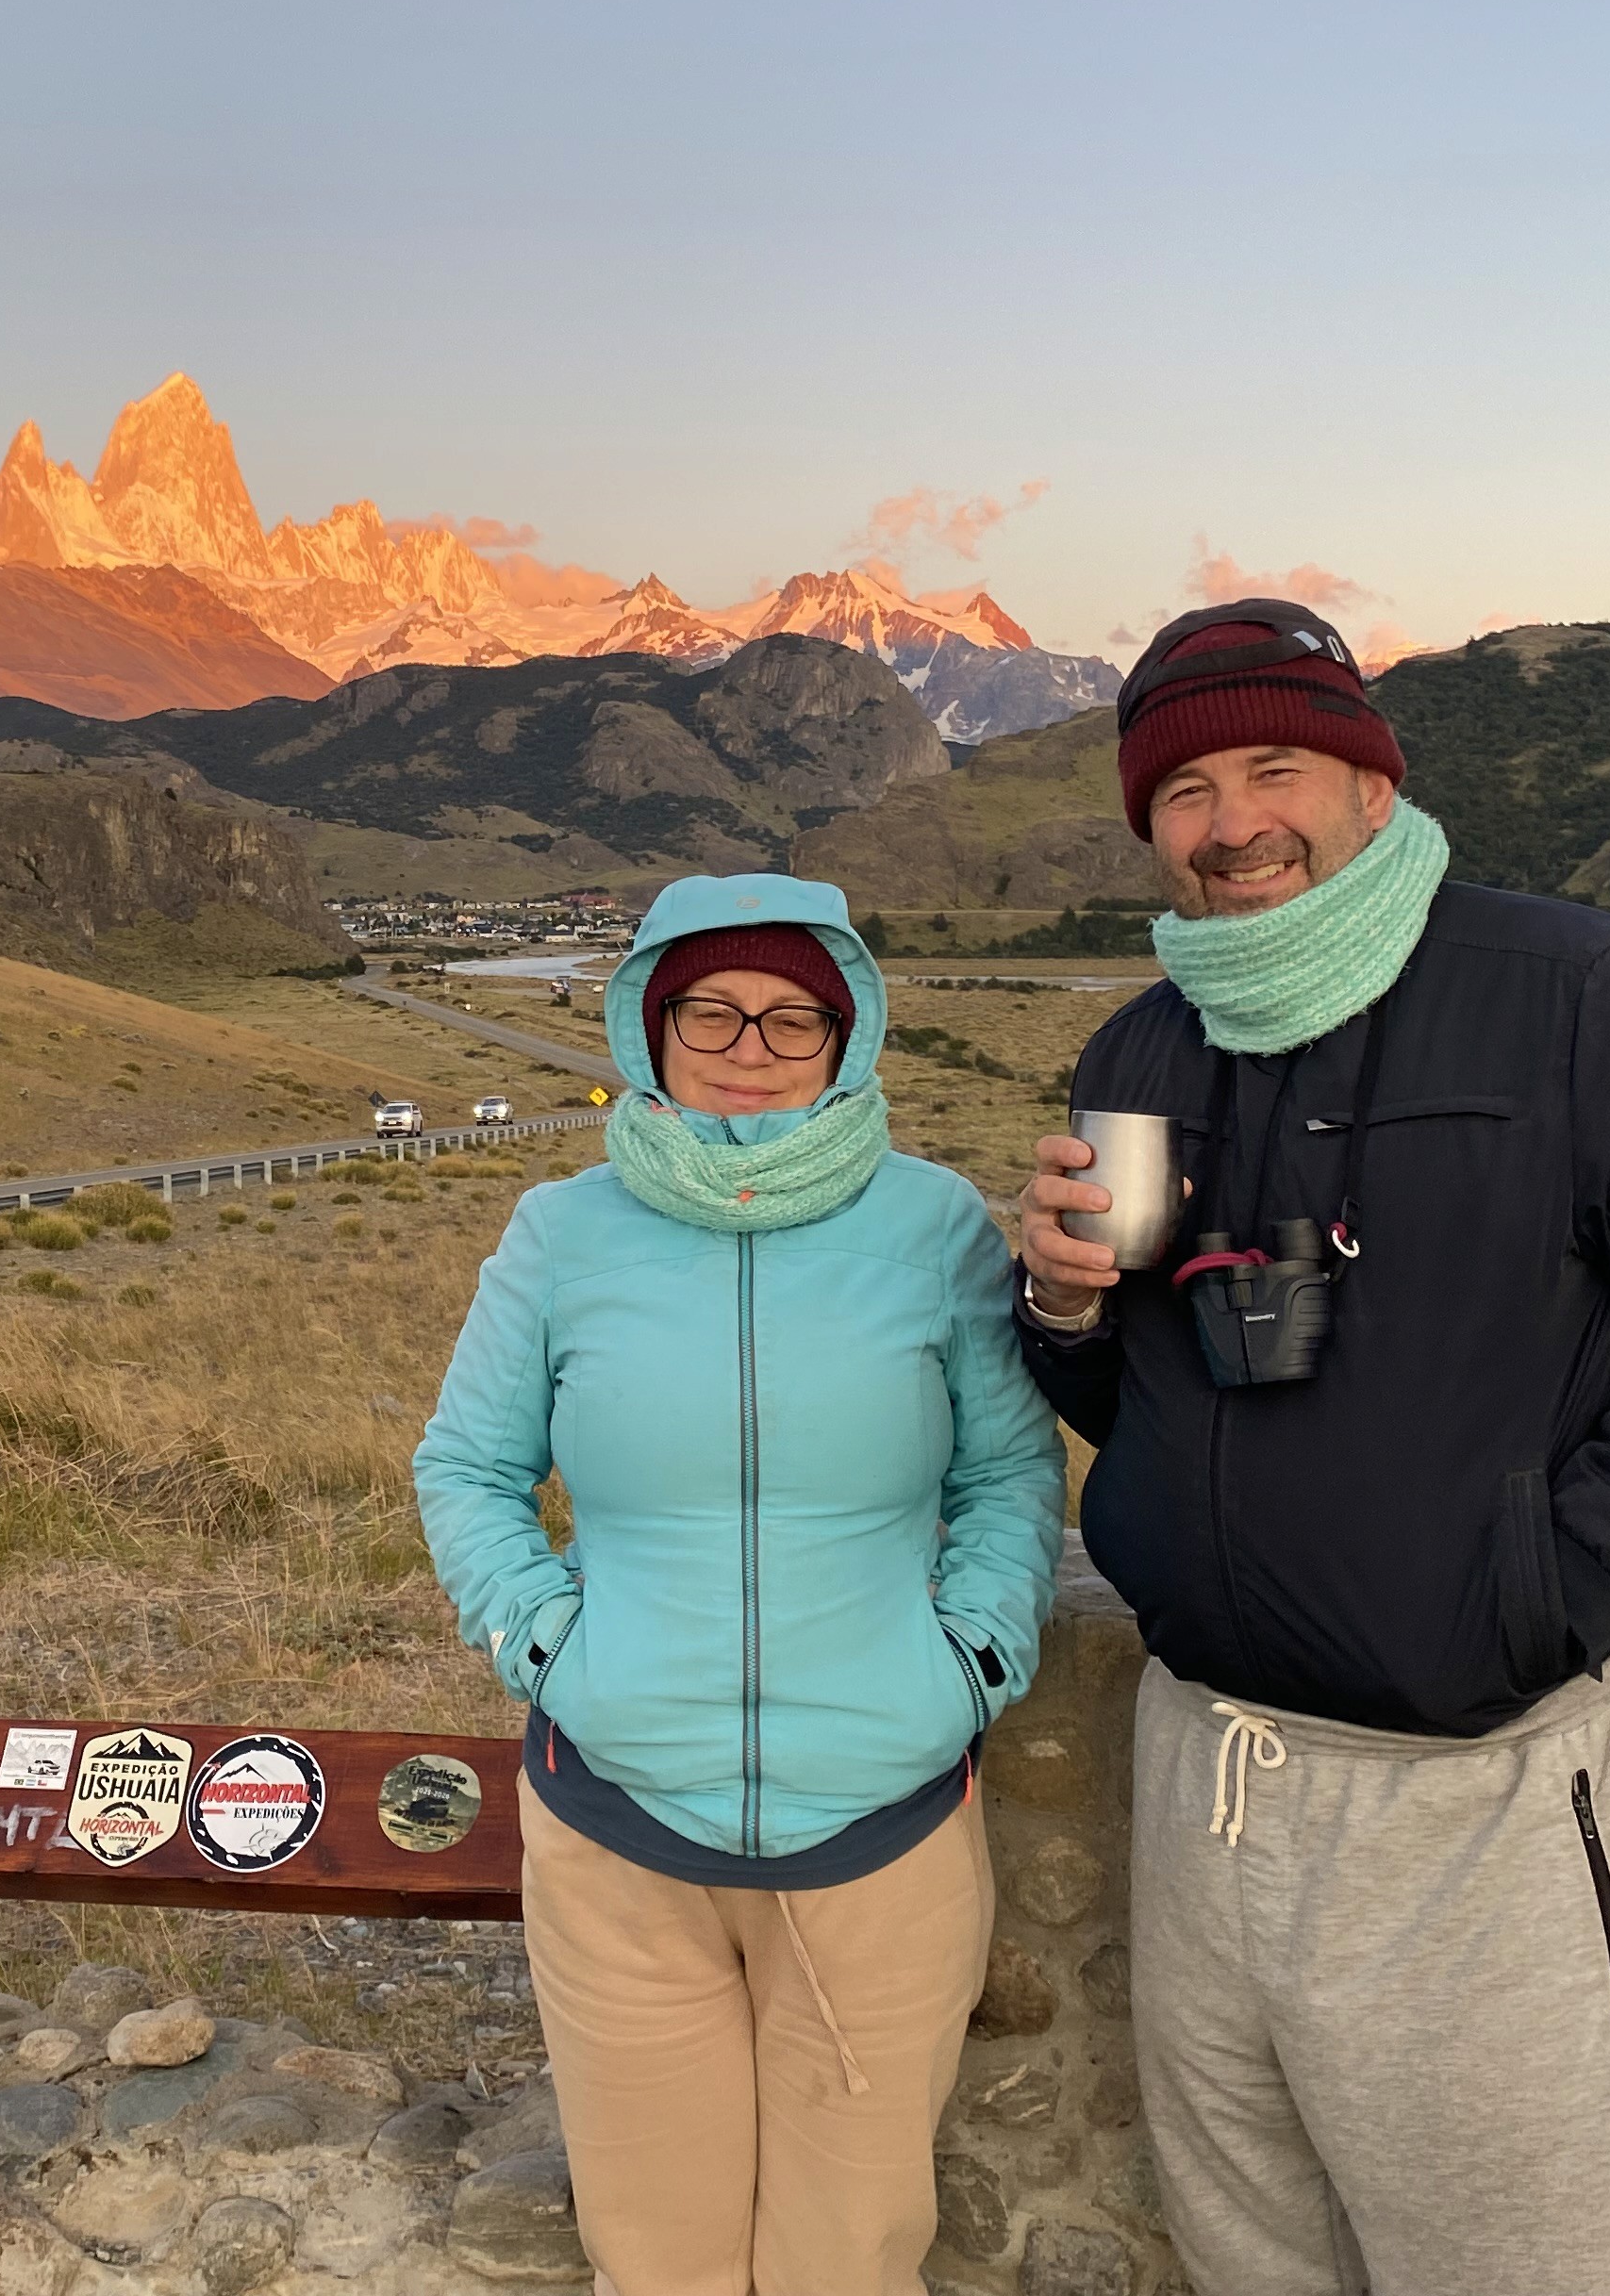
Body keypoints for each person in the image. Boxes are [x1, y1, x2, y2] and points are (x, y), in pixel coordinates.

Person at [1010, 598, 1610, 2296]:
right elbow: (1146, 1401)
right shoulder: (1147, 1044)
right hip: (1206, 1780)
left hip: (1485, 1804)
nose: (1233, 824)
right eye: (1185, 793)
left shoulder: (1577, 992)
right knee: (1258, 2257)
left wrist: (1527, 1604)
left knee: (1550, 2263)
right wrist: (1062, 1308)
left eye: (1276, 769)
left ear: (1373, 786)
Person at [417, 872, 1066, 2296]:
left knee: (853, 2260)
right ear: (648, 1027)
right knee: (657, 2257)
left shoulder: (936, 1226)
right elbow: (466, 1468)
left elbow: (1009, 1475)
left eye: (792, 1018)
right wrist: (551, 1648)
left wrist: (968, 1662)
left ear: (849, 1035)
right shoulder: (561, 1233)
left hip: (884, 1836)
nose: (749, 1046)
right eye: (709, 1010)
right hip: (618, 1836)